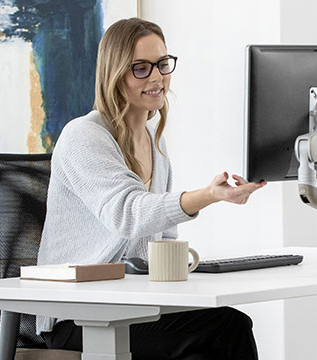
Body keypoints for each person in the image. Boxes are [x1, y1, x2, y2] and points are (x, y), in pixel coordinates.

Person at [36, 18, 265, 360]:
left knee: (207, 344)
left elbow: (162, 241)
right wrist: (208, 195)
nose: (158, 77)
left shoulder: (154, 145)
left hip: (131, 306)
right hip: (77, 317)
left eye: (162, 63)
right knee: (226, 328)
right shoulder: (83, 136)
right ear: (115, 74)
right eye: (141, 68)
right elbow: (129, 214)